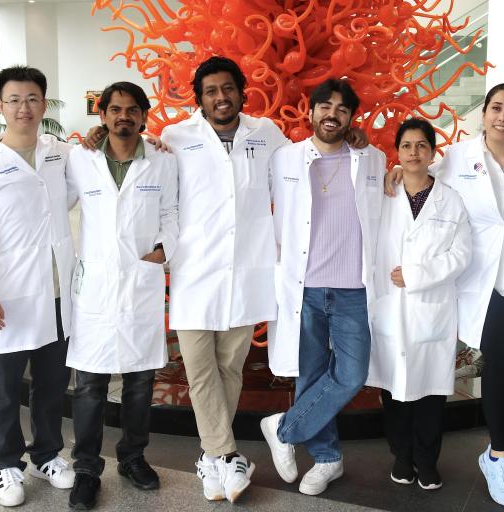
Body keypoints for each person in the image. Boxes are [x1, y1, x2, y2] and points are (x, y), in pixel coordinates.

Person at [159, 56, 288, 503]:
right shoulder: (176, 138)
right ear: (199, 98)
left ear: (241, 91)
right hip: (195, 271)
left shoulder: (266, 133)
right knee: (199, 368)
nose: (221, 97)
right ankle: (227, 452)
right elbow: (148, 176)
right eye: (211, 91)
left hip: (247, 269)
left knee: (230, 367)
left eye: (228, 88)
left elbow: (300, 169)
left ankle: (210, 459)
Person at [0, 65, 76, 507]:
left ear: (43, 103)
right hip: (9, 293)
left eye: (32, 99)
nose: (24, 108)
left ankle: (47, 454)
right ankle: (6, 464)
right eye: (15, 100)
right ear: (1, 106)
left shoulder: (61, 153)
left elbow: (95, 176)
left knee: (51, 382)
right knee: (5, 387)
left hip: (59, 290)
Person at [261, 78, 386, 496]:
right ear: (311, 111)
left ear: (351, 118)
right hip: (305, 288)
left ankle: (284, 428)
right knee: (311, 376)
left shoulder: (372, 159)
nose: (333, 115)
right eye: (325, 107)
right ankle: (328, 458)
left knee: (352, 373)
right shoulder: (283, 158)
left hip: (354, 288)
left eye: (342, 109)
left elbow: (402, 187)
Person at [64, 82, 178, 510]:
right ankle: (86, 469)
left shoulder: (162, 160)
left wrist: (164, 249)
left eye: (132, 109)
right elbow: (55, 199)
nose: (123, 116)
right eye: (115, 109)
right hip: (96, 287)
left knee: (140, 381)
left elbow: (172, 212)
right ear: (103, 116)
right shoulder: (80, 159)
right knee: (89, 385)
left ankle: (132, 458)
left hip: (140, 282)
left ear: (144, 116)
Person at [435, 84, 504, 508]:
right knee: (499, 361)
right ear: (483, 113)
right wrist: (395, 176)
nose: (503, 116)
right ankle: (495, 455)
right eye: (496, 108)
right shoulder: (458, 157)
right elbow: (426, 183)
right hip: (481, 274)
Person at [366, 118, 471, 490]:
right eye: (407, 145)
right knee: (393, 391)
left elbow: (462, 253)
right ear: (397, 152)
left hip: (430, 306)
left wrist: (417, 274)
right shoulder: (383, 194)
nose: (414, 152)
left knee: (429, 393)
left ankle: (427, 461)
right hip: (390, 308)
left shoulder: (450, 200)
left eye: (421, 145)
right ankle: (401, 457)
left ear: (432, 152)